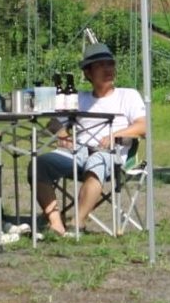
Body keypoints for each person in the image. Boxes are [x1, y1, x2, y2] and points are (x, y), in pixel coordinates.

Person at [35, 41, 147, 237]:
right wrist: (64, 135)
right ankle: (56, 223)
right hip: (78, 153)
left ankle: (77, 222)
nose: (108, 69)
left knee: (97, 160)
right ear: (88, 73)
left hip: (113, 155)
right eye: (100, 65)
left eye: (110, 64)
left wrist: (114, 135)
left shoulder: (128, 96)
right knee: (39, 164)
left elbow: (143, 126)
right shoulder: (79, 98)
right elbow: (53, 123)